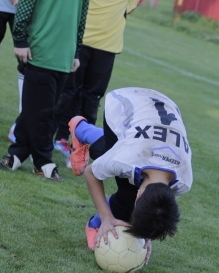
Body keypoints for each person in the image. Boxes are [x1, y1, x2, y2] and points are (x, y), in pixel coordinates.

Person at [0, 0, 93, 182]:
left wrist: (75, 52)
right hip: (38, 52)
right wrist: (21, 41)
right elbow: (24, 5)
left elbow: (81, 16)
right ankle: (44, 162)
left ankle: (15, 156)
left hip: (64, 57)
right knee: (44, 111)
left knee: (35, 109)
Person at [52, 0, 145, 148]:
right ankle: (59, 138)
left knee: (92, 98)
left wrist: (124, 9)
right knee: (68, 92)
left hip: (108, 47)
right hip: (79, 42)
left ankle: (83, 144)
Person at [66, 87, 191, 255]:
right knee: (123, 189)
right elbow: (91, 173)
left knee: (114, 164)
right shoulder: (127, 159)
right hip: (124, 102)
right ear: (139, 196)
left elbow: (159, 207)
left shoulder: (184, 181)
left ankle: (82, 130)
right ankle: (80, 129)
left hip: (163, 108)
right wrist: (106, 218)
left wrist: (146, 235)